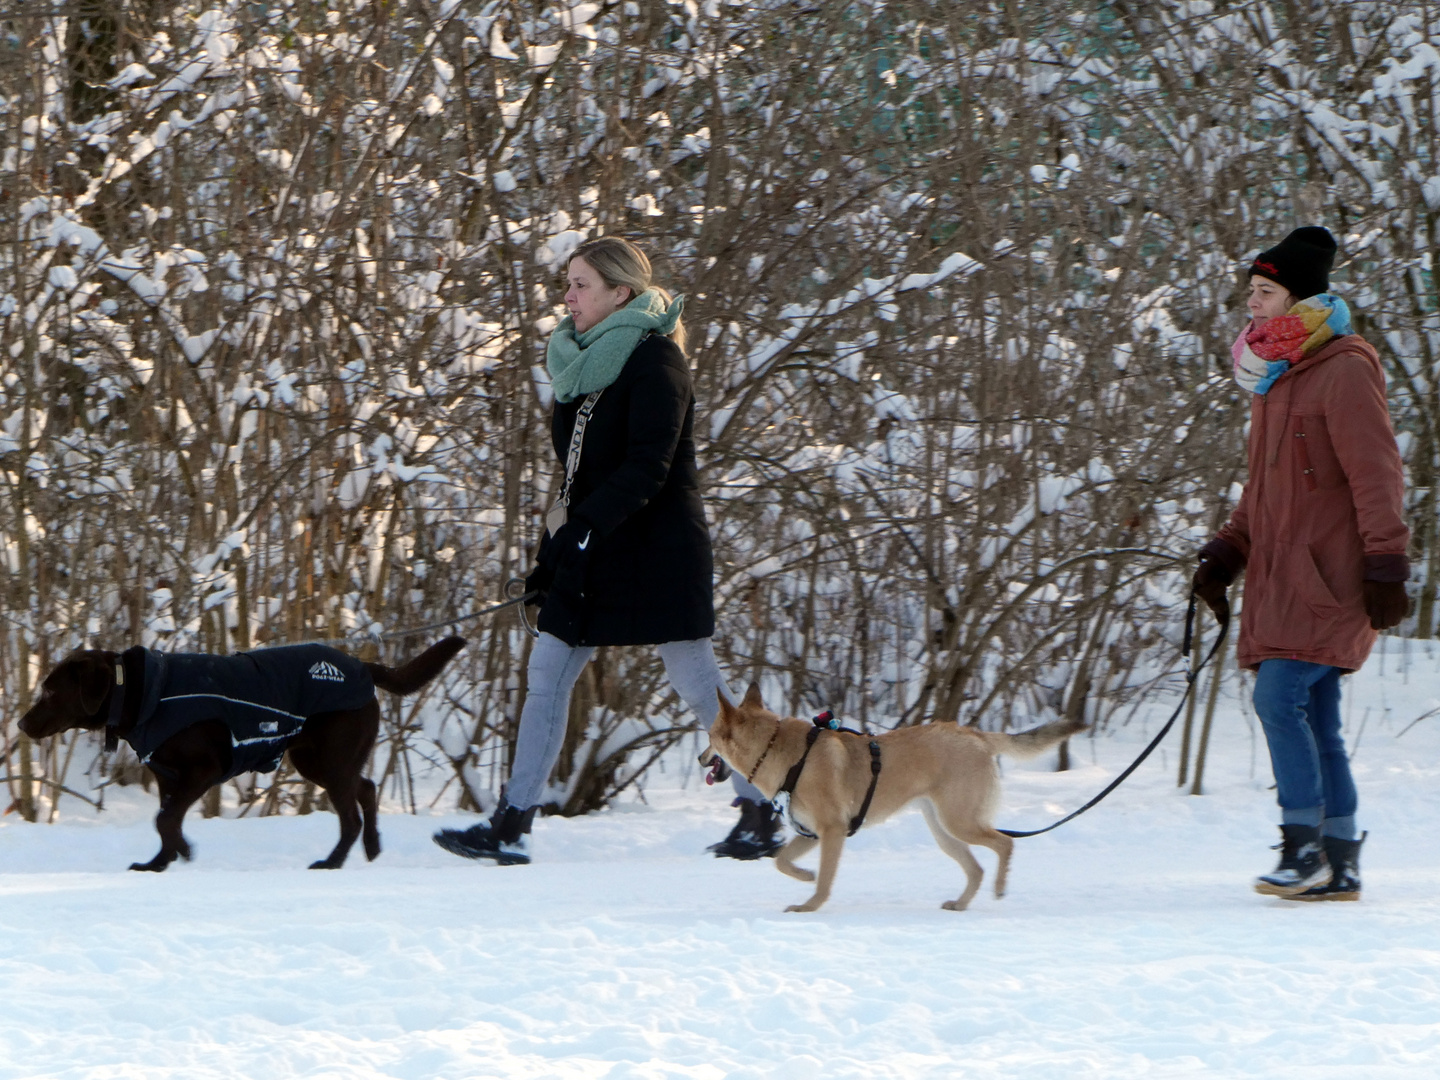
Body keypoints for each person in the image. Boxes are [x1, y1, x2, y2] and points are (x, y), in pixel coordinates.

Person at [433, 237, 781, 864]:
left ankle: (760, 810)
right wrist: (551, 554)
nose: (566, 297)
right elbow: (573, 475)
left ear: (622, 293)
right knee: (547, 675)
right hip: (591, 548)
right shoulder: (580, 364)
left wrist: (585, 527)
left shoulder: (656, 363)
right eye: (567, 284)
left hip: (657, 549)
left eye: (581, 285)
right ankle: (511, 823)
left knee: (696, 679)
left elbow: (651, 464)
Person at [1193, 226, 1409, 902]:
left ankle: (1304, 847)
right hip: (1283, 578)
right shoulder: (1278, 378)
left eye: (1264, 292)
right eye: (1251, 292)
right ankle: (1340, 862)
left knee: (1278, 697)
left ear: (1300, 298)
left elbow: (1377, 474)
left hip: (1334, 577)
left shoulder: (1345, 367)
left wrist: (1386, 563)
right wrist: (1226, 553)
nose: (1251, 305)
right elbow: (1266, 490)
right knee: (1317, 716)